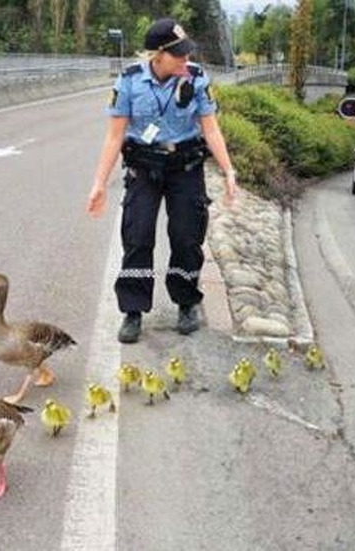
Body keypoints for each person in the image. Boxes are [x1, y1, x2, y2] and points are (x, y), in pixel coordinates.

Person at [87, 18, 238, 344]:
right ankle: (133, 310)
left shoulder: (196, 78)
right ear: (158, 55)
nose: (186, 59)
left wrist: (229, 171)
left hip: (186, 167)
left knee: (186, 235)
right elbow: (114, 138)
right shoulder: (129, 81)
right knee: (138, 234)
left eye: (187, 53)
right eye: (178, 54)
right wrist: (99, 183)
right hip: (144, 168)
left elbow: (210, 129)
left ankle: (186, 301)